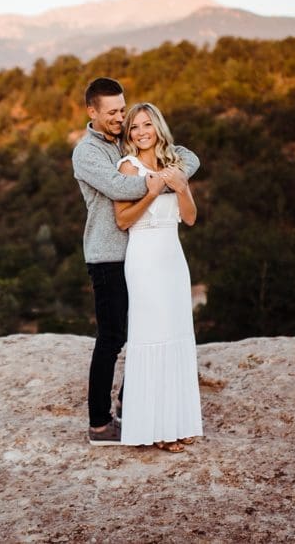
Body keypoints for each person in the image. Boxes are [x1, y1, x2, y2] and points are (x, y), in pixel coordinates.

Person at [71, 77, 199, 446]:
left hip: (143, 255)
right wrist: (159, 181)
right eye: (111, 112)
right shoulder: (87, 153)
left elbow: (188, 156)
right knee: (112, 337)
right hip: (108, 254)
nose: (119, 117)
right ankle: (99, 425)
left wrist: (174, 173)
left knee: (143, 330)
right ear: (91, 112)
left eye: (121, 110)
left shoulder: (124, 139)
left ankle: (134, 406)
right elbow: (119, 189)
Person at [114, 102, 204, 452]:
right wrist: (150, 193)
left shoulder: (173, 165)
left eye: (146, 125)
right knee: (151, 336)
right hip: (144, 258)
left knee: (176, 335)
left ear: (158, 127)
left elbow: (191, 218)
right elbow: (123, 220)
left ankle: (178, 423)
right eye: (134, 127)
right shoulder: (127, 166)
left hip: (172, 259)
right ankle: (156, 429)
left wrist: (181, 188)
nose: (140, 132)